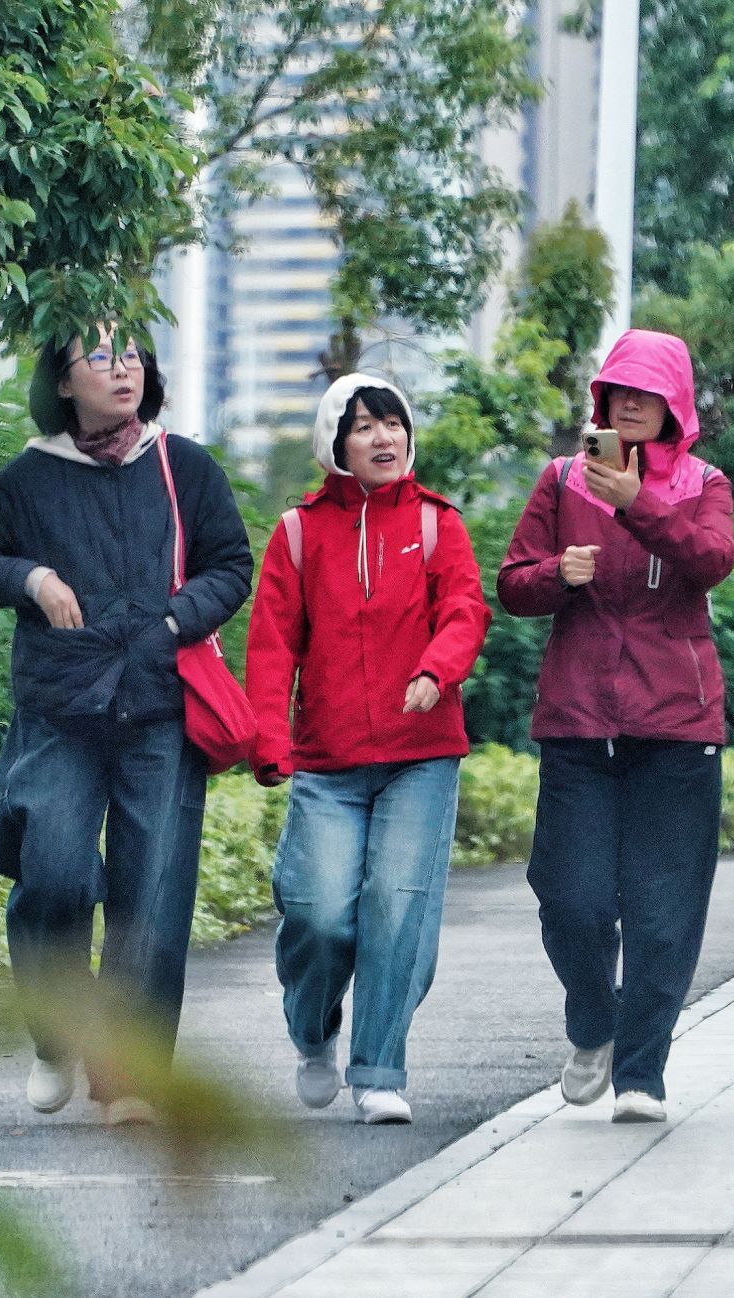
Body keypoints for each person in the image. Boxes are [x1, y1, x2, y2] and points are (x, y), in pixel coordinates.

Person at [0, 323, 253, 1124]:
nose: (122, 369)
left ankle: (131, 1079)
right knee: (49, 871)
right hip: (61, 709)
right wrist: (33, 577)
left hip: (159, 706)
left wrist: (179, 620)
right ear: (63, 380)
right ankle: (55, 1034)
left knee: (150, 893)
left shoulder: (183, 465)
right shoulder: (29, 477)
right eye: (100, 358)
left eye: (131, 355)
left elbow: (231, 564)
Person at [498, 328, 734, 1124]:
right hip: (578, 719)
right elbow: (513, 584)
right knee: (569, 897)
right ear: (600, 399)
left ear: (675, 406)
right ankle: (593, 1019)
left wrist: (640, 506)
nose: (629, 404)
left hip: (677, 723)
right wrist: (553, 575)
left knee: (665, 910)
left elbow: (710, 561)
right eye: (618, 391)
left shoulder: (704, 482)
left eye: (647, 393)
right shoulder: (562, 479)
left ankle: (642, 1073)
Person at [245, 373, 491, 1125]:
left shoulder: (437, 524)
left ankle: (380, 1069)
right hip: (329, 763)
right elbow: (272, 645)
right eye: (364, 426)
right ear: (335, 442)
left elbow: (465, 610)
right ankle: (313, 1031)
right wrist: (270, 739)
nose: (384, 438)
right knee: (319, 915)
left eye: (393, 423)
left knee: (397, 907)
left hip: (422, 755)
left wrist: (434, 670)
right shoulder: (297, 533)